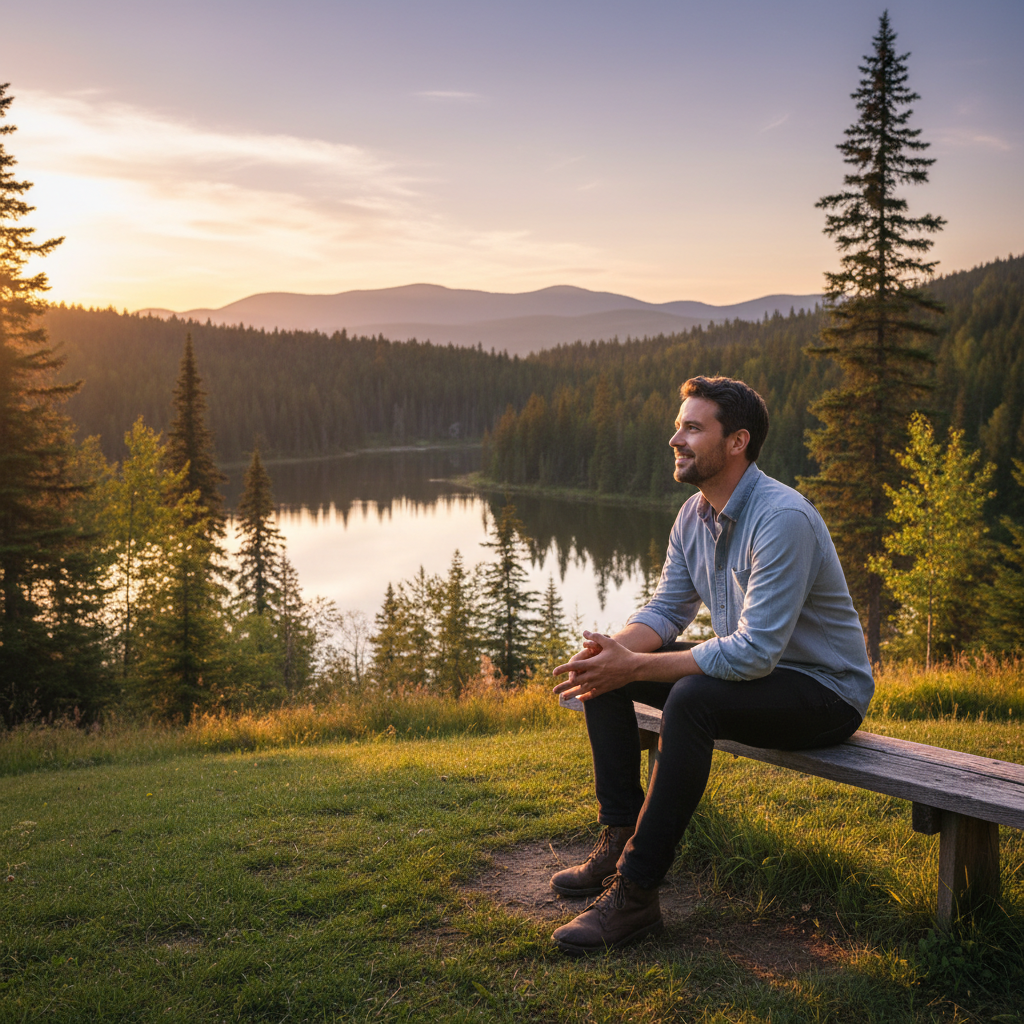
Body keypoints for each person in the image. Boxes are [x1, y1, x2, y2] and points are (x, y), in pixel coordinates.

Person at [550, 375, 873, 955]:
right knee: (609, 676)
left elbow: (753, 652)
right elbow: (667, 609)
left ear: (737, 442)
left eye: (693, 427)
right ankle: (619, 838)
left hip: (825, 693)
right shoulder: (693, 516)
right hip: (762, 679)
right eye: (679, 426)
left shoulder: (782, 519)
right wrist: (614, 653)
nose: (675, 438)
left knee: (692, 699)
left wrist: (636, 667)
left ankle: (636, 896)